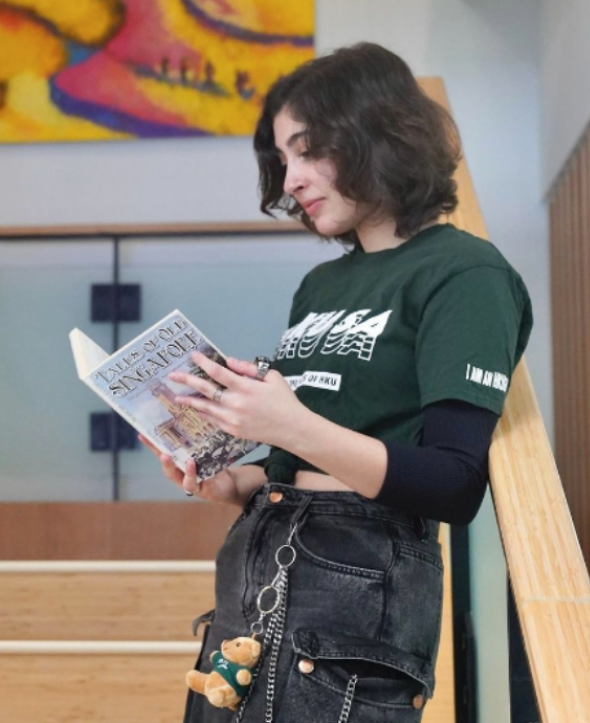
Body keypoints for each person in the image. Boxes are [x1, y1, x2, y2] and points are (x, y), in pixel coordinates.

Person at [140, 42, 533, 723]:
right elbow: (306, 453)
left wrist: (288, 422)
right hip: (262, 559)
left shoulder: (465, 274)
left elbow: (453, 481)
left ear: (373, 134)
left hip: (360, 578)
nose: (289, 179)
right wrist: (232, 482)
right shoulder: (321, 285)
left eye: (306, 150)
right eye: (281, 159)